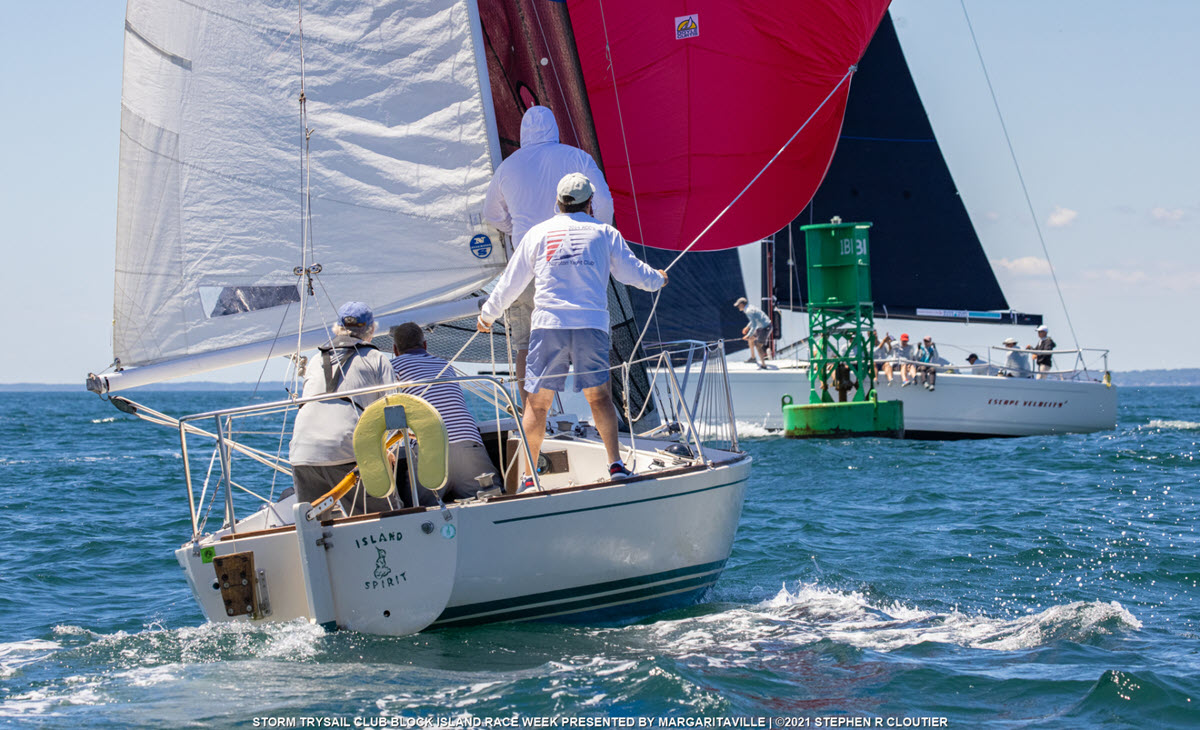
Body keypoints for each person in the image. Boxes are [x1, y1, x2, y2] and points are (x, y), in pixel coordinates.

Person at [477, 172, 666, 491]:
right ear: (590, 203)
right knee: (600, 397)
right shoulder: (605, 234)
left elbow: (512, 281)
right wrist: (658, 279)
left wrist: (488, 314)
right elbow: (632, 274)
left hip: (549, 325)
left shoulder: (538, 234)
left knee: (537, 404)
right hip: (590, 326)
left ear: (557, 203)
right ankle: (615, 465)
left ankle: (529, 477)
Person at [482, 106, 615, 401]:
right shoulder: (578, 158)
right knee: (589, 335)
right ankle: (598, 409)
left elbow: (491, 214)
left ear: (522, 134)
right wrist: (593, 233)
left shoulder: (508, 167)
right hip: (577, 262)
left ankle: (536, 416)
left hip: (529, 263)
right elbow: (604, 204)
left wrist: (517, 230)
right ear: (555, 130)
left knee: (526, 343)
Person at [289, 302, 398, 514]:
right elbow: (392, 410)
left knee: (314, 525)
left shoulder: (314, 360)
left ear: (337, 328)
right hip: (346, 449)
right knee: (383, 515)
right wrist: (388, 449)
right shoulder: (376, 359)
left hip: (302, 451)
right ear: (372, 329)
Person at [389, 323, 503, 506]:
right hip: (468, 443)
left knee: (419, 511)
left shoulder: (392, 367)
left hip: (430, 451)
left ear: (395, 350)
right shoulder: (445, 365)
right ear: (425, 346)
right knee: (491, 503)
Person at [734, 297, 771, 368]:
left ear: (742, 304)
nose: (738, 307)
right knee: (751, 339)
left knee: (758, 345)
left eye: (738, 305)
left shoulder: (748, 311)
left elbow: (754, 325)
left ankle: (763, 365)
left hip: (766, 328)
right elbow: (754, 320)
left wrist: (748, 335)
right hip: (761, 327)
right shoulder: (750, 307)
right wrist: (747, 327)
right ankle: (753, 358)